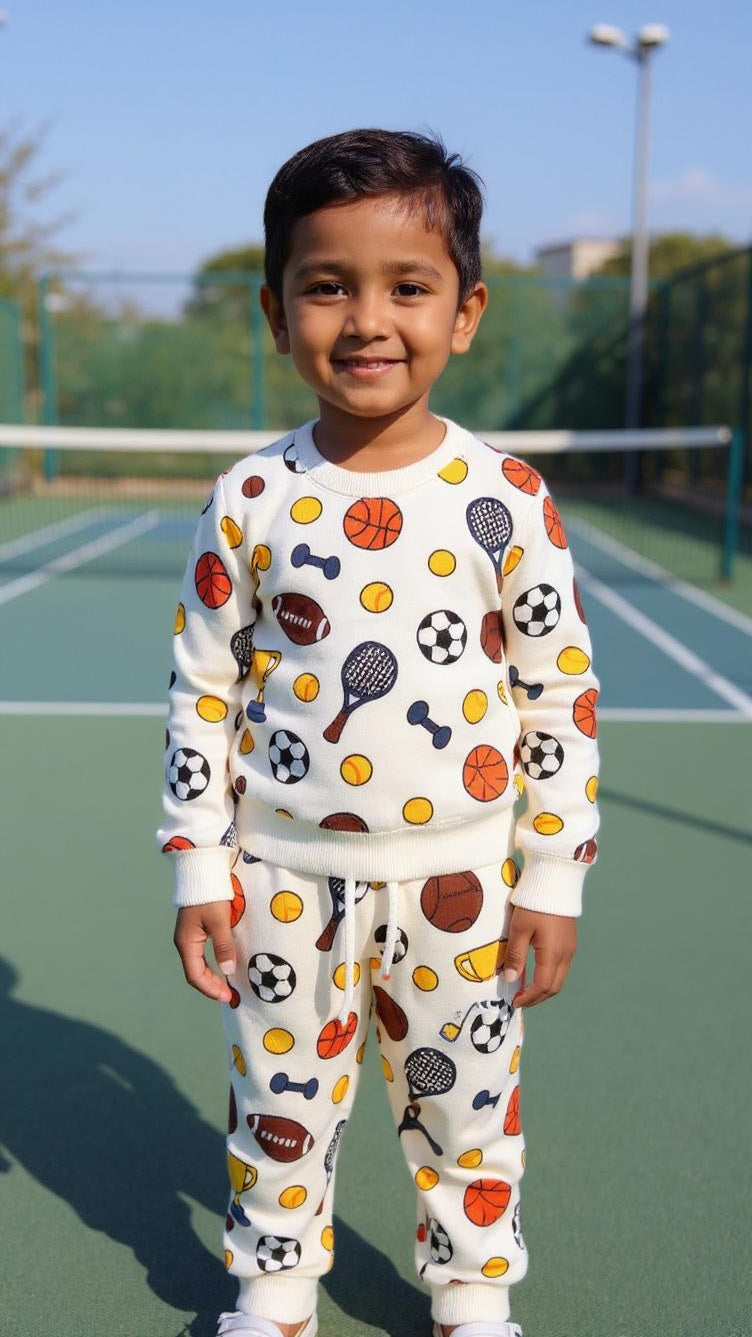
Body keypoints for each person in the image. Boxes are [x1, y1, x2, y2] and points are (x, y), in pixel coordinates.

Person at [157, 128, 600, 1337]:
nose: (365, 319)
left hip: (460, 873)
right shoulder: (250, 497)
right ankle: (274, 1288)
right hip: (283, 878)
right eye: (325, 285)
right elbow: (203, 689)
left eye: (407, 287)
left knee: (464, 1107)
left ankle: (469, 1296)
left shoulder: (505, 500)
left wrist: (550, 875)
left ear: (464, 313)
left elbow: (558, 700)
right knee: (278, 1099)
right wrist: (202, 864)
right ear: (273, 309)